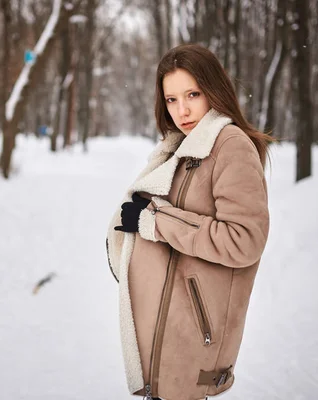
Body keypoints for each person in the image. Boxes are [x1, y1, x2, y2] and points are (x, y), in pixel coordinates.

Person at [106, 44, 271, 400]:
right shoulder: (181, 147)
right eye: (171, 99)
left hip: (196, 335)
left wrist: (156, 219)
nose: (182, 110)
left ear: (214, 89)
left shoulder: (230, 146)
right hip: (168, 333)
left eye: (192, 94)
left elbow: (243, 240)